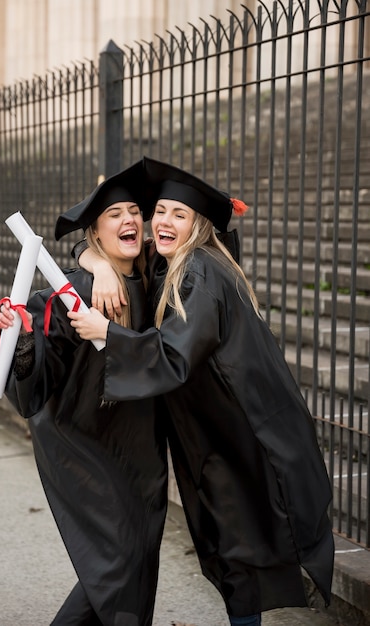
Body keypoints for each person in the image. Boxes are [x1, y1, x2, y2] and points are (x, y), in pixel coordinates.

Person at [69, 156, 335, 626]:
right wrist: (96, 264)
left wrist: (105, 333)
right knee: (232, 548)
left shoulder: (198, 274)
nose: (163, 222)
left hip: (242, 433)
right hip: (215, 433)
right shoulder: (177, 262)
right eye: (161, 211)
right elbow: (102, 247)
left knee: (239, 548)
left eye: (179, 214)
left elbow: (174, 356)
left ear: (197, 225)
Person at [0, 160, 168, 626]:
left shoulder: (157, 274)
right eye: (115, 214)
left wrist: (95, 257)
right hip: (85, 443)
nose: (129, 219)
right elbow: (39, 377)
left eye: (135, 211)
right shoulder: (75, 291)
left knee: (137, 559)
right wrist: (26, 338)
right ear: (95, 231)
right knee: (118, 564)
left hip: (140, 449)